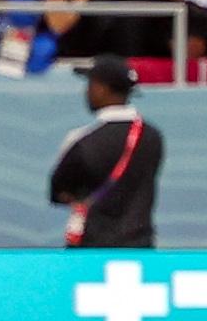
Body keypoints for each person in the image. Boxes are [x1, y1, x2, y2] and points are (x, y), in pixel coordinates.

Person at [48, 55, 165, 248]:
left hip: (93, 248)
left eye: (90, 84)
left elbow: (59, 192)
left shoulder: (83, 141)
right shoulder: (153, 137)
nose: (87, 91)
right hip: (140, 245)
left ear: (101, 88)